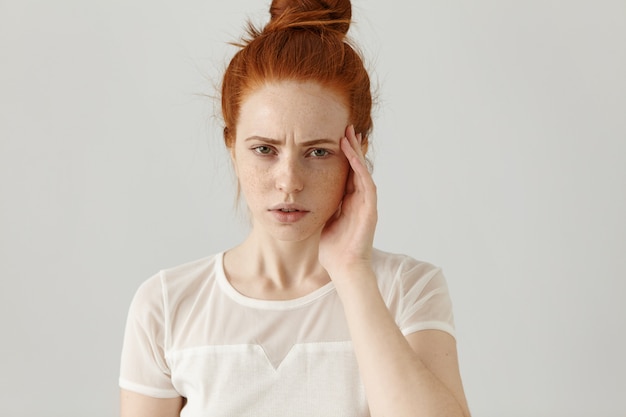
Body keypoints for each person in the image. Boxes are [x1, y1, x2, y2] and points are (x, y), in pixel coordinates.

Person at [119, 0, 471, 416]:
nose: (289, 181)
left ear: (358, 152)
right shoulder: (167, 305)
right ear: (232, 147)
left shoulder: (407, 290)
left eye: (318, 152)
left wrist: (352, 271)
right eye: (265, 149)